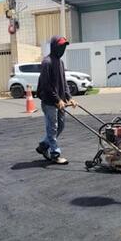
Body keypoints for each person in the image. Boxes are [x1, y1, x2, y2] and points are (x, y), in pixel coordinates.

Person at [36, 35, 78, 165]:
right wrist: (57, 99)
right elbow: (46, 85)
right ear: (54, 46)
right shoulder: (47, 62)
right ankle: (55, 154)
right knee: (52, 129)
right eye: (60, 46)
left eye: (64, 46)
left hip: (60, 101)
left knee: (61, 126)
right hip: (50, 102)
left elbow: (63, 83)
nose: (62, 49)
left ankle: (43, 146)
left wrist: (69, 98)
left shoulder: (60, 62)